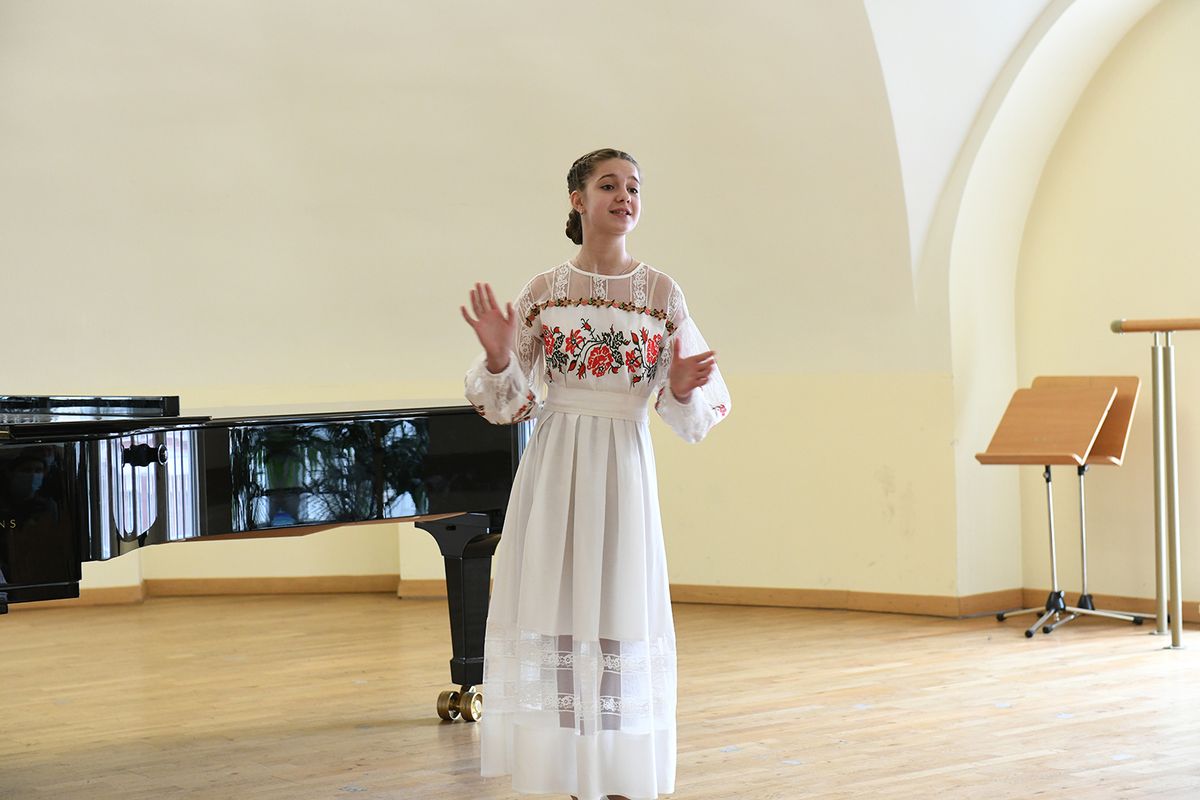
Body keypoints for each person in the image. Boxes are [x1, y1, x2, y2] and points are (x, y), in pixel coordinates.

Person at [460, 148, 731, 800]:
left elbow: (694, 410)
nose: (624, 196)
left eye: (633, 187)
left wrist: (682, 387)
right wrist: (499, 358)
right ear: (577, 200)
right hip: (556, 464)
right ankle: (566, 770)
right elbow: (509, 404)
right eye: (609, 185)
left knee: (618, 606)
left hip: (623, 464)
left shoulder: (661, 294)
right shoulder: (544, 291)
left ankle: (616, 773)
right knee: (556, 603)